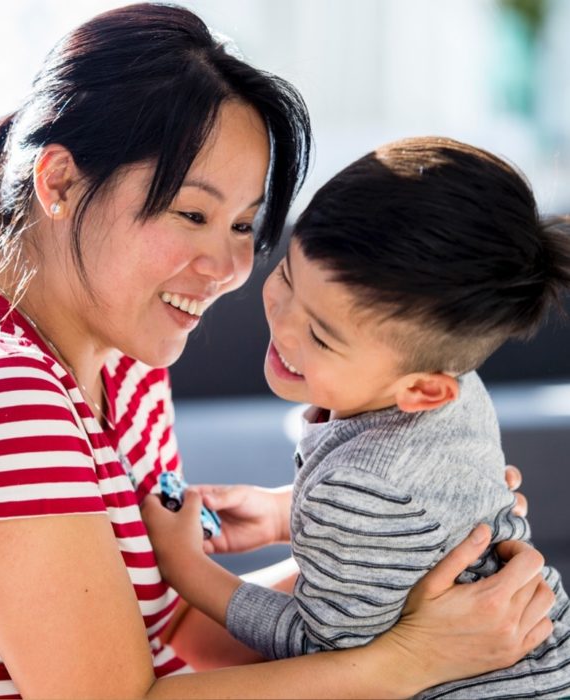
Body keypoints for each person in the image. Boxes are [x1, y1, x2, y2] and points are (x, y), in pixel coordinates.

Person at [0, 3, 554, 696]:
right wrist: (413, 658)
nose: (230, 267)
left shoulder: (121, 360)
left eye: (243, 224)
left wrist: (405, 547)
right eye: (192, 214)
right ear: (59, 182)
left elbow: (171, 629)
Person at [143, 137, 570, 698]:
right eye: (290, 277)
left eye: (320, 335)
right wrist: (285, 513)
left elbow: (322, 656)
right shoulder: (456, 388)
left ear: (422, 390)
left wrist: (188, 571)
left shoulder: (356, 488)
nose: (284, 324)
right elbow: (410, 527)